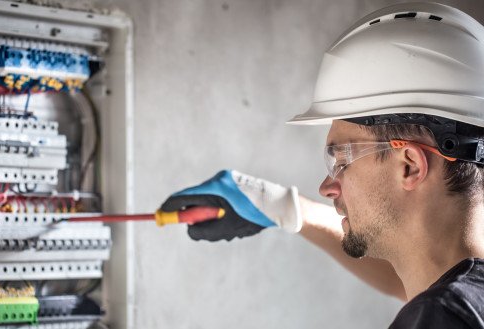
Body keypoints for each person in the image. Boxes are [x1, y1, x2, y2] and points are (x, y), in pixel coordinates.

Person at [160, 2, 484, 328]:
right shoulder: (460, 303)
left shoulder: (443, 315)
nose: (326, 187)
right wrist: (286, 208)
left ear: (410, 166)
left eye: (342, 160)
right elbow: (414, 284)